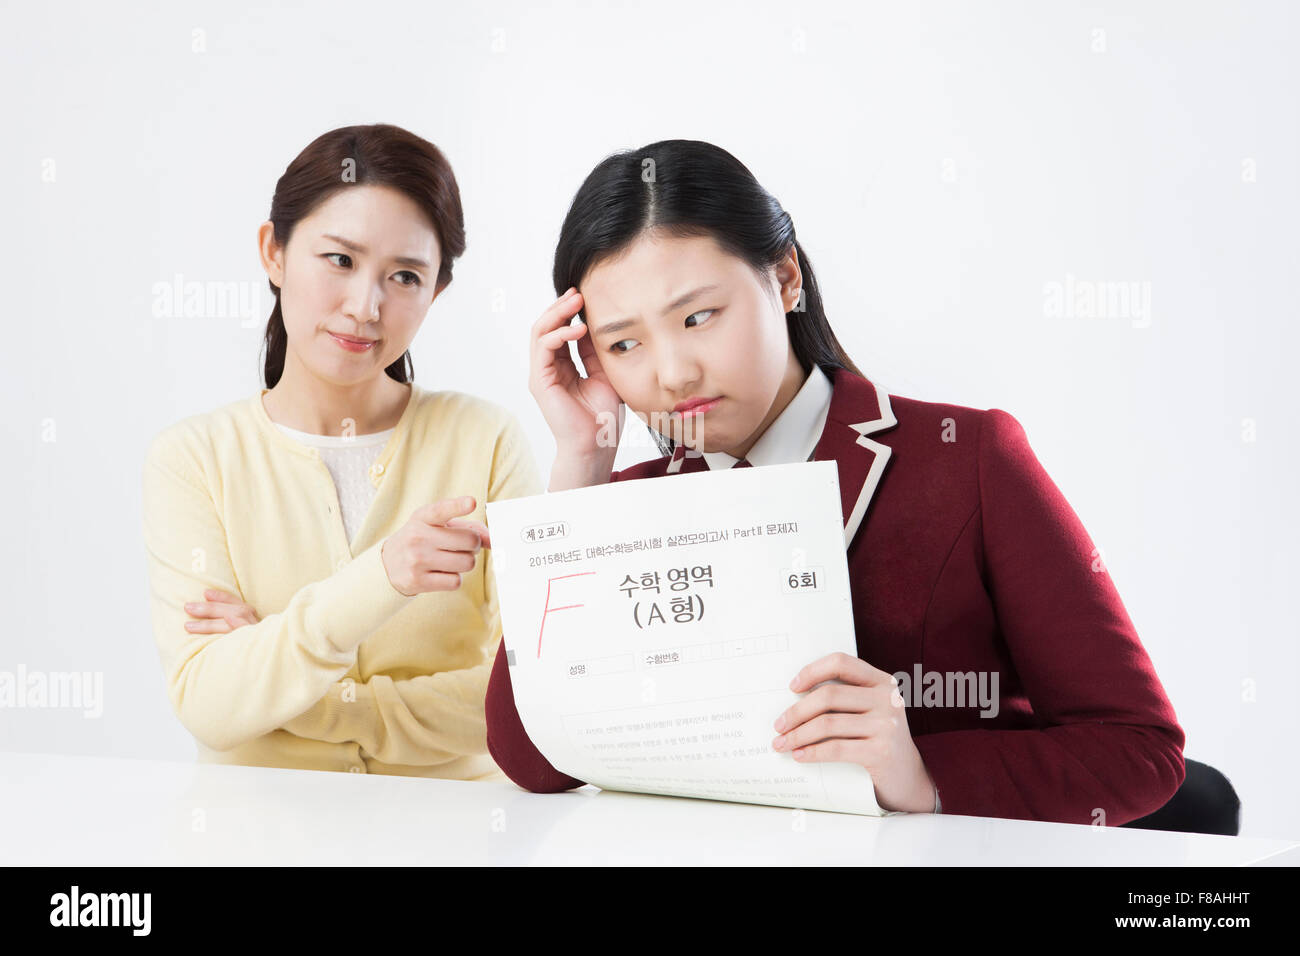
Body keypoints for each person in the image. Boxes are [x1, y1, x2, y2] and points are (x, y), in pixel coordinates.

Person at [484, 139, 1186, 824]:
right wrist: (581, 464)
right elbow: (536, 762)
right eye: (625, 343)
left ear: (785, 278)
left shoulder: (968, 459)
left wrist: (922, 776)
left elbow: (1137, 748)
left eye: (699, 316)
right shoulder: (624, 501)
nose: (671, 374)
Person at [142, 124, 540, 778]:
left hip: (459, 836)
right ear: (274, 252)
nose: (365, 307)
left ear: (437, 290)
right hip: (263, 835)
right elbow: (209, 703)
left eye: (405, 276)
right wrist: (383, 575)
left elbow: (529, 691)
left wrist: (290, 692)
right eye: (340, 260)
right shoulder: (193, 459)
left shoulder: (486, 440)